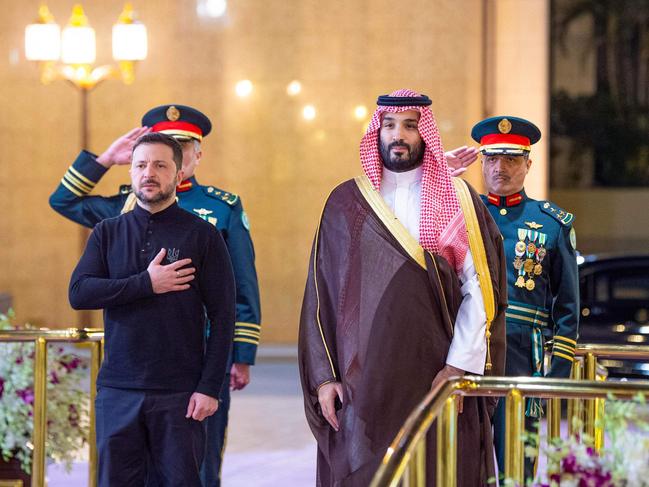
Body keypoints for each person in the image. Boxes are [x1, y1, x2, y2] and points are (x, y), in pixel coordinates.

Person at [298, 89, 508, 486]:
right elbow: (321, 293)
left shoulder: (458, 199)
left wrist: (458, 367)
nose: (399, 135)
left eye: (410, 125)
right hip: (364, 379)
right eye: (390, 125)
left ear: (424, 134)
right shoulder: (347, 202)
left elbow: (479, 290)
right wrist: (325, 378)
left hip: (436, 372)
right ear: (376, 131)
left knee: (438, 469)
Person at [49, 104, 260, 485]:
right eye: (140, 164)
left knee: (199, 470)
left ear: (187, 161)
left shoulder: (215, 216)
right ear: (131, 169)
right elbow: (63, 203)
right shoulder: (114, 220)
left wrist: (233, 363)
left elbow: (235, 297)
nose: (150, 173)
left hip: (187, 378)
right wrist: (103, 160)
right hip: (121, 384)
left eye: (163, 163)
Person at [472, 116, 579, 479]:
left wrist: (556, 374)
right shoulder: (464, 215)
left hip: (523, 356)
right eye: (492, 158)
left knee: (517, 464)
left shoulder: (551, 223)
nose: (500, 168)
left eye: (512, 159)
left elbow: (567, 308)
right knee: (464, 459)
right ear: (482, 162)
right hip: (468, 351)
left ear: (528, 164)